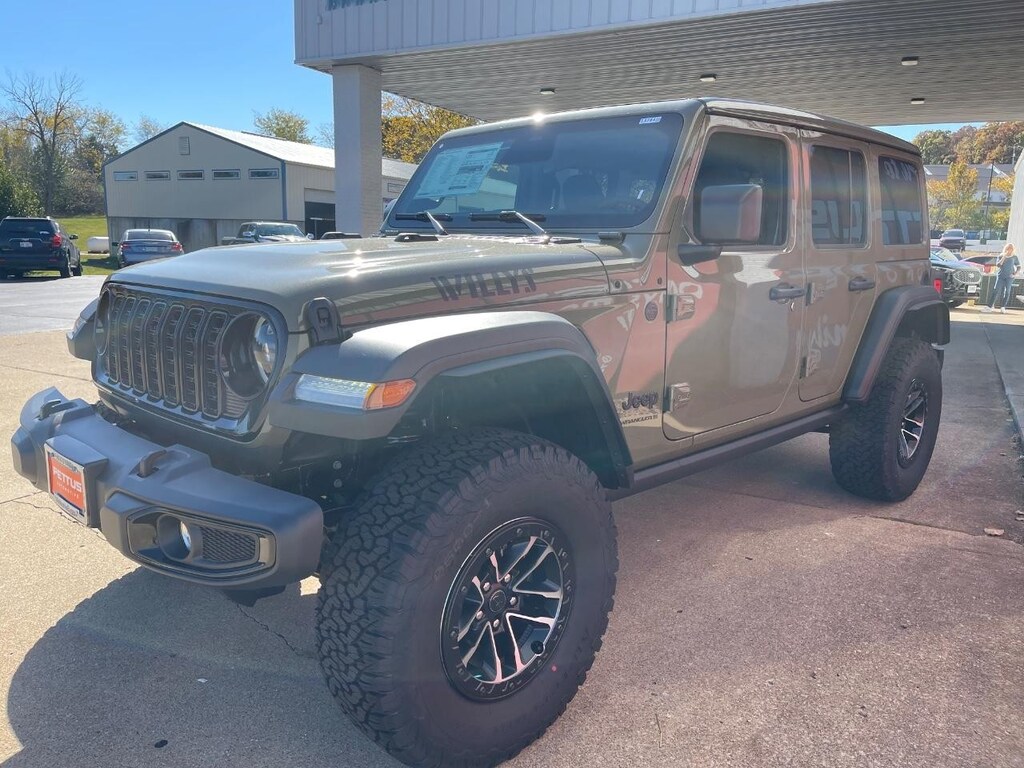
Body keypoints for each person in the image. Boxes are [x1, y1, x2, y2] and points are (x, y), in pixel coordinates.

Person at [982, 243, 1020, 314]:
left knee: (1007, 292)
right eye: (1008, 249)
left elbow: (1019, 266)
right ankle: (990, 306)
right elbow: (998, 265)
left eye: (1011, 249)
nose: (1009, 250)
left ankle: (1003, 307)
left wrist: (1015, 273)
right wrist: (1003, 257)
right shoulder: (1001, 256)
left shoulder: (1014, 257)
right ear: (1006, 249)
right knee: (996, 290)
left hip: (1009, 277)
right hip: (1001, 276)